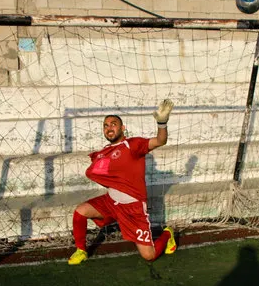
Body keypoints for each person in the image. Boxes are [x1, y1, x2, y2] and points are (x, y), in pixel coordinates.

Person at [68, 99, 177, 265]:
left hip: (133, 209)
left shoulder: (132, 145)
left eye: (113, 124)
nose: (109, 128)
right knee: (80, 211)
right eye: (105, 125)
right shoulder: (105, 151)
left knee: (149, 256)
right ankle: (81, 250)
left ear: (122, 128)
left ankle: (167, 234)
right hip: (111, 202)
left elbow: (160, 141)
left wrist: (162, 123)